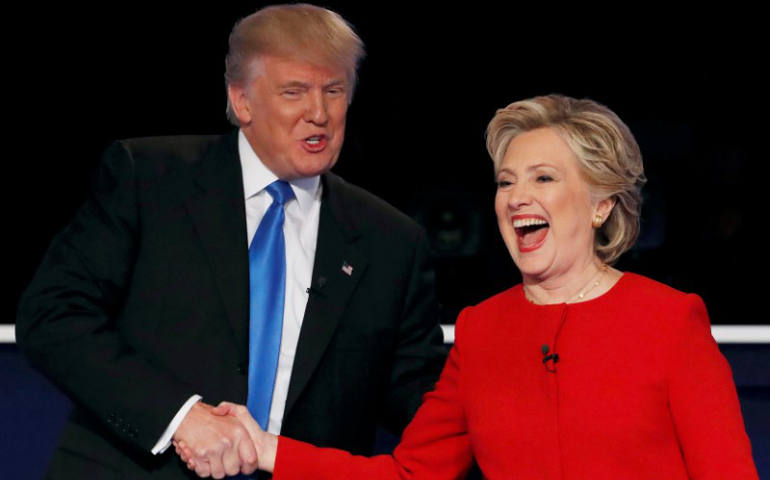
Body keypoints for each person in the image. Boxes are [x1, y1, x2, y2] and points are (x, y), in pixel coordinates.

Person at [184, 94, 759, 479]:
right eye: (506, 181)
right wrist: (269, 449)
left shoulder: (669, 319)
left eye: (543, 178)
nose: (516, 197)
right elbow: (410, 472)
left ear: (601, 205)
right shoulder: (483, 329)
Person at [16, 4, 445, 479]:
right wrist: (181, 417)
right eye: (294, 91)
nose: (319, 113)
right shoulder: (151, 180)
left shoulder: (391, 241)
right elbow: (53, 317)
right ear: (242, 101)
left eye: (334, 91)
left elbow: (420, 399)